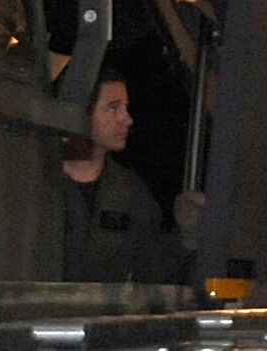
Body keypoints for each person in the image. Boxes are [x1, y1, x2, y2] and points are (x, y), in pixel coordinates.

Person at [60, 67, 187, 284]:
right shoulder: (36, 181)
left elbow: (153, 272)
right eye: (112, 108)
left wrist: (187, 234)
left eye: (125, 108)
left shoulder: (131, 192)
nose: (127, 119)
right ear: (80, 112)